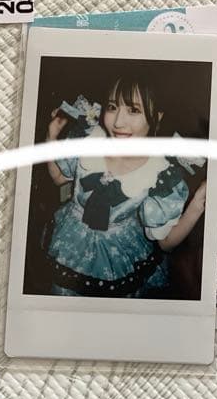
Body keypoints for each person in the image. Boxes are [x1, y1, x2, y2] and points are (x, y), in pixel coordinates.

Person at [41, 74, 207, 297]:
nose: (118, 122)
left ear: (157, 116)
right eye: (112, 107)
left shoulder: (159, 172)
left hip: (119, 253)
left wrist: (198, 202)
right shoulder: (90, 138)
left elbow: (166, 243)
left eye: (134, 110)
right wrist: (51, 136)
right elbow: (59, 178)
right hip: (70, 240)